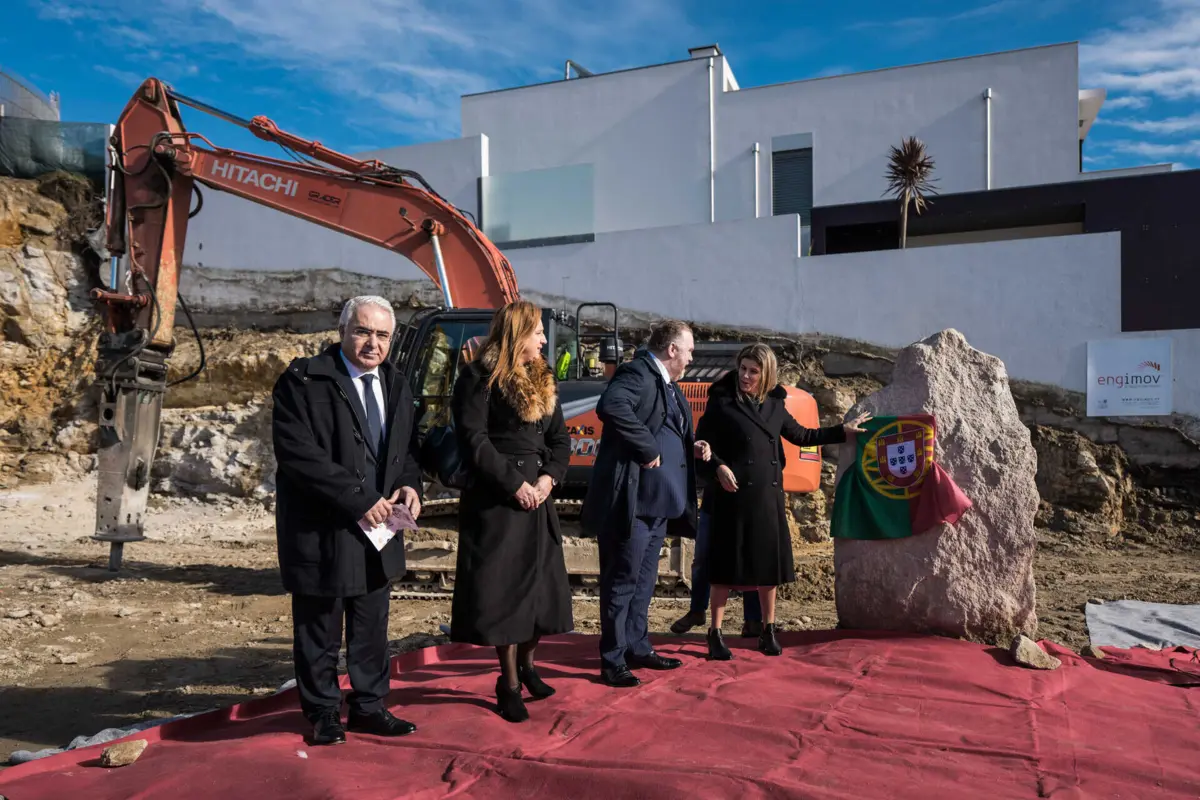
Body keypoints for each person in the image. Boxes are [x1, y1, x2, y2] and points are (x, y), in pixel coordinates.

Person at [271, 295, 424, 746]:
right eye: (362, 331)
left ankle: (370, 707)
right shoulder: (304, 381)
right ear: (342, 331)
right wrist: (358, 497)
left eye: (381, 335)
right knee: (319, 625)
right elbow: (298, 454)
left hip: (379, 529)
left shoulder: (397, 385)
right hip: (323, 528)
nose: (371, 343)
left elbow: (406, 450)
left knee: (371, 624)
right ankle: (322, 714)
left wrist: (411, 485)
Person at [695, 343, 870, 659]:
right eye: (743, 369)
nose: (746, 376)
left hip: (766, 498)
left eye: (753, 371)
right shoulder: (722, 402)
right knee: (724, 568)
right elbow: (702, 443)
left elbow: (803, 435)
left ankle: (767, 630)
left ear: (766, 375)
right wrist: (718, 466)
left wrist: (843, 432)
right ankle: (715, 633)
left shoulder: (775, 407)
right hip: (731, 498)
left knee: (767, 568)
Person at [449, 300, 573, 723]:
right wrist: (514, 484)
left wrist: (547, 480)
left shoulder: (543, 377)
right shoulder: (478, 378)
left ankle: (529, 666)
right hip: (498, 500)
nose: (543, 340)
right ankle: (508, 683)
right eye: (537, 332)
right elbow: (474, 441)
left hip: (538, 499)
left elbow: (560, 440)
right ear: (517, 334)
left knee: (541, 590)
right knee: (506, 595)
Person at [581, 319, 712, 688]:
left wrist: (692, 445)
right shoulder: (637, 372)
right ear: (671, 349)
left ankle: (637, 645)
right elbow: (612, 405)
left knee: (644, 581)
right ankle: (612, 660)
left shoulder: (669, 386)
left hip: (658, 505)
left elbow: (668, 428)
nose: (690, 359)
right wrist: (647, 447)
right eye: (688, 351)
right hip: (632, 504)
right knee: (622, 581)